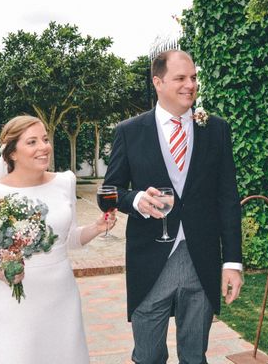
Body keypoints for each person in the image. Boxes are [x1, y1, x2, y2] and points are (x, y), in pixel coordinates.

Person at [0, 115, 116, 363]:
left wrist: (97, 227)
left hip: (61, 293)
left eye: (45, 140)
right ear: (12, 153)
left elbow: (69, 239)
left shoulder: (64, 182)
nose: (43, 147)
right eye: (32, 142)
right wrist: (4, 273)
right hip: (18, 297)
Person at [102, 50, 243, 364]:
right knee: (148, 356)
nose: (190, 84)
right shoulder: (130, 131)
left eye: (193, 77)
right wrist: (135, 199)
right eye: (180, 78)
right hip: (150, 264)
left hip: (201, 261)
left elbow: (228, 200)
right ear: (158, 81)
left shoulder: (216, 129)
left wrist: (232, 262)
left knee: (195, 356)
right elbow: (108, 193)